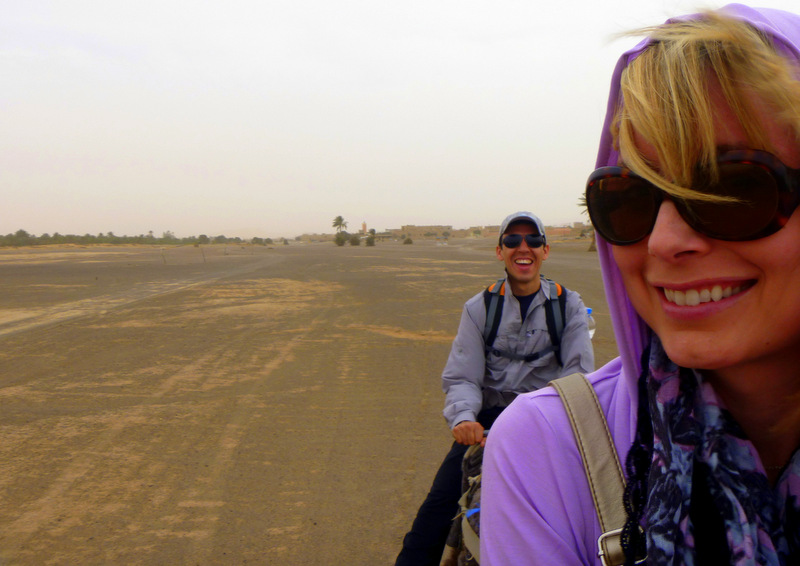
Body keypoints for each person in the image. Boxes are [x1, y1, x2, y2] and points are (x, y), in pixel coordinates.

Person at [481, 5, 800, 565]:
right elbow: (464, 367)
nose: (663, 242)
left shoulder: (565, 304)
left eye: (734, 190)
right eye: (629, 201)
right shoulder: (550, 449)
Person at [396, 211, 594, 566]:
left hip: (545, 419)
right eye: (512, 241)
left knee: (588, 508)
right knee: (436, 513)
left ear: (545, 250)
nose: (524, 248)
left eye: (533, 240)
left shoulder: (569, 306)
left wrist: (546, 424)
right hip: (485, 424)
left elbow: (576, 376)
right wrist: (463, 418)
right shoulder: (478, 309)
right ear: (499, 251)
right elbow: (463, 377)